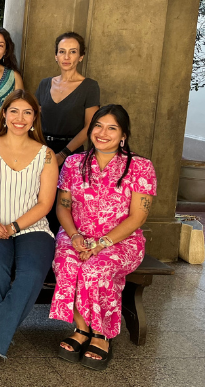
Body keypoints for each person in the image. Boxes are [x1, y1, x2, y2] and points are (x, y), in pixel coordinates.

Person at [50, 105, 156, 371]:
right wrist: (74, 236)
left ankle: (102, 333)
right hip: (77, 234)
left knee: (96, 269)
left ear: (123, 135)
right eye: (98, 126)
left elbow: (138, 217)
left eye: (112, 128)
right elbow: (62, 206)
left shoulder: (140, 167)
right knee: (68, 264)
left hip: (121, 241)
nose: (102, 133)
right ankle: (82, 329)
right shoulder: (74, 163)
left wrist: (101, 244)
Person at [0, 89, 58, 374]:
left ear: (34, 118)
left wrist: (13, 227)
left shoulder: (47, 155)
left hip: (33, 229)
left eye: (27, 112)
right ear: (4, 114)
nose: (20, 118)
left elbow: (45, 203)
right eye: (14, 111)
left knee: (31, 274)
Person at [36, 32, 100, 234]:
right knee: (38, 200)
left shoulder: (89, 86)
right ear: (55, 55)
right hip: (42, 149)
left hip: (71, 154)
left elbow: (90, 127)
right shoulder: (45, 84)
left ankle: (61, 252)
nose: (66, 57)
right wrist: (41, 150)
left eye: (73, 52)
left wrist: (62, 154)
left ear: (81, 56)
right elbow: (34, 120)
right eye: (62, 52)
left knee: (63, 204)